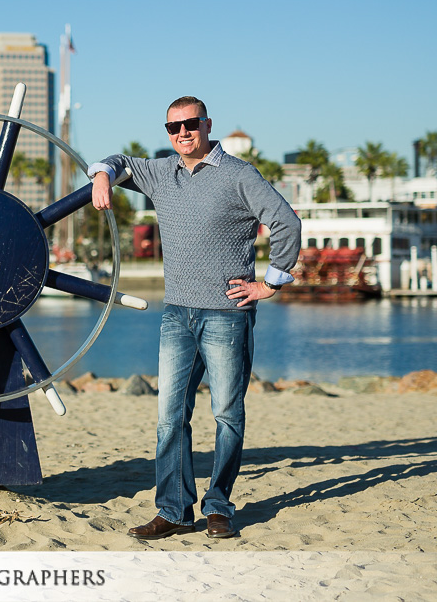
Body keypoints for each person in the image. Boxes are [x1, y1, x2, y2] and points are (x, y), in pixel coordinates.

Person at [89, 96, 301, 540]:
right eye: (173, 128)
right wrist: (102, 176)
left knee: (226, 415)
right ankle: (173, 510)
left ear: (207, 124)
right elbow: (117, 159)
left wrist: (270, 284)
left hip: (228, 315)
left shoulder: (240, 175)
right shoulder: (162, 173)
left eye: (190, 124)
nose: (182, 133)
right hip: (176, 315)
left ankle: (219, 507)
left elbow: (286, 222)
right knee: (170, 416)